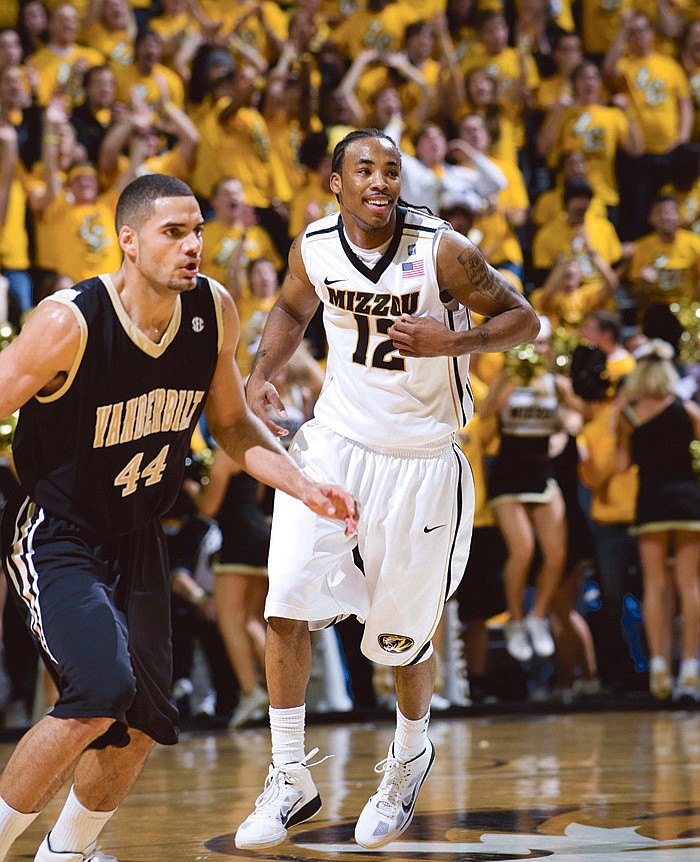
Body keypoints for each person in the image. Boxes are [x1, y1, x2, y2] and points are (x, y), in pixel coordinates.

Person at [0, 173, 357, 862]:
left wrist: (302, 483)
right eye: (174, 232)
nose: (193, 244)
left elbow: (231, 424)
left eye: (198, 230)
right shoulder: (67, 322)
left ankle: (64, 855)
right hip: (58, 531)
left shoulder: (213, 311)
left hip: (140, 537)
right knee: (101, 690)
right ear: (127, 241)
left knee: (143, 722)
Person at [236, 127, 539, 851]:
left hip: (422, 459)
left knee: (402, 640)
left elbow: (523, 320)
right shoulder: (312, 244)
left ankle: (407, 759)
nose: (380, 181)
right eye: (364, 169)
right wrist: (262, 369)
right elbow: (290, 308)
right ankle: (288, 776)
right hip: (335, 445)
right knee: (287, 602)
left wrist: (453, 342)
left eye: (392, 171)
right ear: (334, 183)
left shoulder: (442, 250)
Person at [612, 339, 700, 701]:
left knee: (655, 586)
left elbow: (620, 466)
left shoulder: (629, 416)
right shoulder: (689, 410)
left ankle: (660, 666)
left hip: (651, 502)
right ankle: (692, 666)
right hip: (688, 501)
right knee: (689, 585)